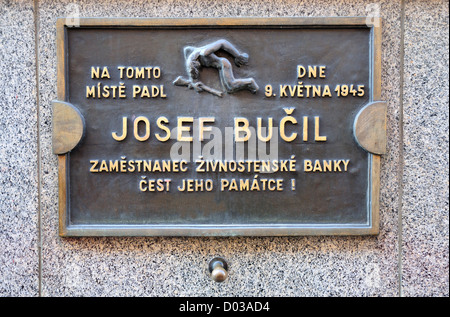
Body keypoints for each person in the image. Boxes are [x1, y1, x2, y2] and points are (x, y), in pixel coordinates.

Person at [182, 39, 259, 94]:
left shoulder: (204, 52)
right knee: (228, 90)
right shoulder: (188, 52)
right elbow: (190, 67)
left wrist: (237, 55)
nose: (199, 68)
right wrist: (193, 82)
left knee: (231, 87)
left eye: (197, 68)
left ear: (196, 62)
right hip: (218, 67)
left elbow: (222, 43)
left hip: (223, 64)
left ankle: (250, 82)